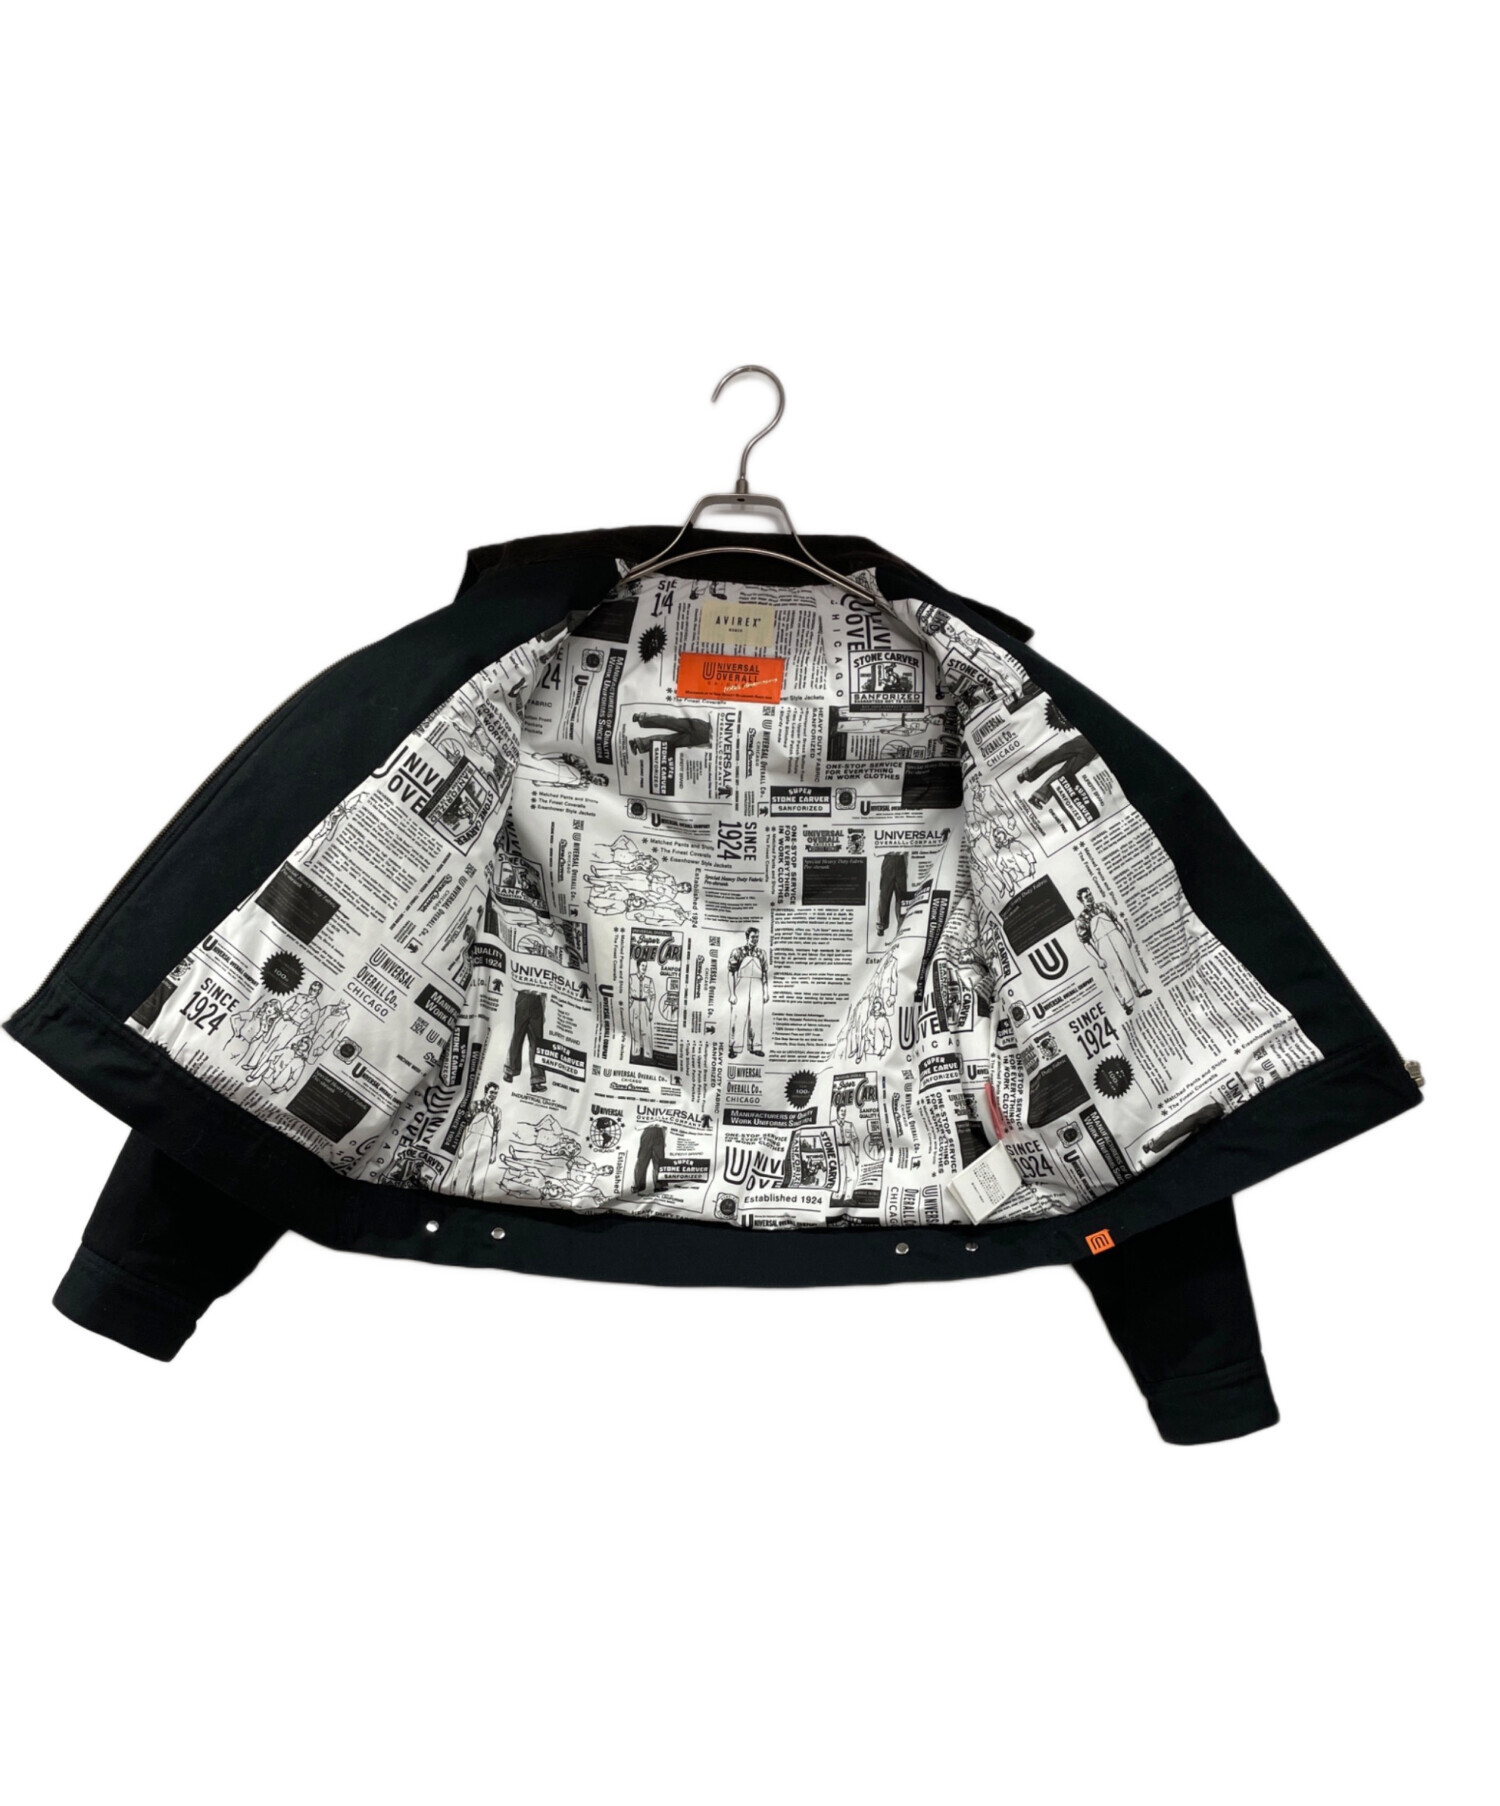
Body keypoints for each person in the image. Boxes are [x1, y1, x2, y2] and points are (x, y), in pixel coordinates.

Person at [1075, 887, 1153, 1014]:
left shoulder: (1103, 906)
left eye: (1090, 894)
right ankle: (1127, 1003)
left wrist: (1125, 935)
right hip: (1103, 945)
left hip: (1116, 936)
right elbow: (1086, 942)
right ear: (1081, 901)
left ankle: (1141, 989)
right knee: (1115, 974)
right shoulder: (1081, 920)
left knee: (1129, 963)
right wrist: (1098, 959)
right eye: (1086, 896)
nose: (1089, 897)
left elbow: (1116, 922)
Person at [727, 928, 769, 1058]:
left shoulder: (762, 953)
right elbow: (731, 973)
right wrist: (732, 993)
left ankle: (755, 1047)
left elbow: (764, 974)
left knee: (756, 1016)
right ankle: (734, 1048)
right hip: (742, 985)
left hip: (757, 985)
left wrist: (765, 991)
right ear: (747, 937)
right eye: (753, 937)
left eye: (757, 937)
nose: (755, 939)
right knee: (738, 1016)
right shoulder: (738, 952)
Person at [628, 955, 656, 1060]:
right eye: (643, 965)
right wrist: (629, 1005)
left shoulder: (649, 980)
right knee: (634, 1030)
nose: (644, 968)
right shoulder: (631, 977)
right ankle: (635, 1054)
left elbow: (653, 997)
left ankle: (648, 1055)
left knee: (646, 1031)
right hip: (634, 1005)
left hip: (644, 1006)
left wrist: (651, 1011)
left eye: (646, 966)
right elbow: (626, 992)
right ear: (638, 966)